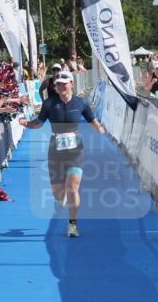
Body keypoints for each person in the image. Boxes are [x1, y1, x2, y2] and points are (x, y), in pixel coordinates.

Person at [19, 71, 105, 237]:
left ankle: (72, 225)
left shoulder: (81, 103)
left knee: (73, 189)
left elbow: (93, 121)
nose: (61, 86)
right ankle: (63, 199)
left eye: (64, 83)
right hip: (55, 150)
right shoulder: (49, 104)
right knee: (58, 194)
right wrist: (26, 124)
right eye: (58, 84)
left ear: (71, 84)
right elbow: (38, 123)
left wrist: (100, 129)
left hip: (75, 151)